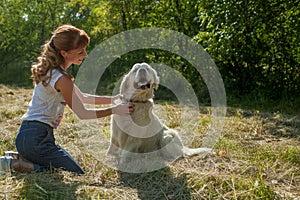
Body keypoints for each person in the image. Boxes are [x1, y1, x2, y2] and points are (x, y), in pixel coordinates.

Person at [1, 24, 134, 175]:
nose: (85, 55)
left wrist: (114, 99)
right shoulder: (61, 79)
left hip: (29, 135)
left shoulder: (55, 73)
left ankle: (19, 157)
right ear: (64, 53)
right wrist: (114, 110)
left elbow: (83, 98)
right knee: (74, 173)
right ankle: (14, 164)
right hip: (37, 138)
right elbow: (82, 113)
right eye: (80, 51)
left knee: (65, 170)